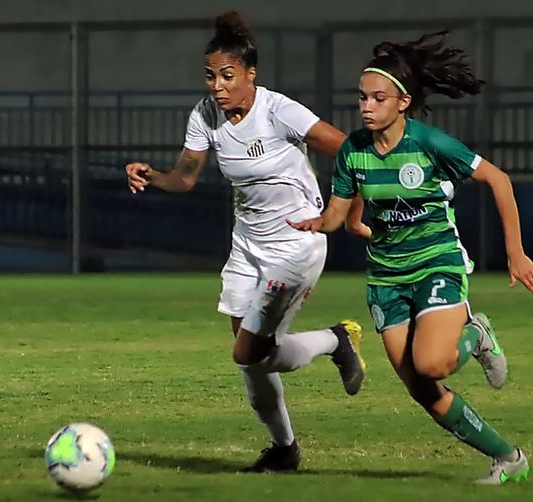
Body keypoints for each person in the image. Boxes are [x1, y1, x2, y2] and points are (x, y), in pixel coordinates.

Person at [288, 32, 533, 484]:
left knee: (432, 363)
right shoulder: (354, 151)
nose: (366, 106)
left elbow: (499, 180)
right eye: (362, 97)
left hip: (436, 263)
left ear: (403, 101)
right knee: (422, 388)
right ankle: (510, 458)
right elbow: (337, 214)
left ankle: (476, 334)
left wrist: (516, 253)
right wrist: (316, 222)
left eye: (378, 98)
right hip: (386, 277)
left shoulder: (429, 144)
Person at [125, 11, 365, 473]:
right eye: (211, 75)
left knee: (249, 352)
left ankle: (335, 341)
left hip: (296, 247)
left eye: (227, 76)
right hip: (247, 248)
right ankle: (284, 449)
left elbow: (351, 151)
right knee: (252, 359)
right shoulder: (205, 115)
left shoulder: (279, 111)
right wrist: (153, 176)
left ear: (251, 75)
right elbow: (186, 178)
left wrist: (349, 211)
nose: (217, 85)